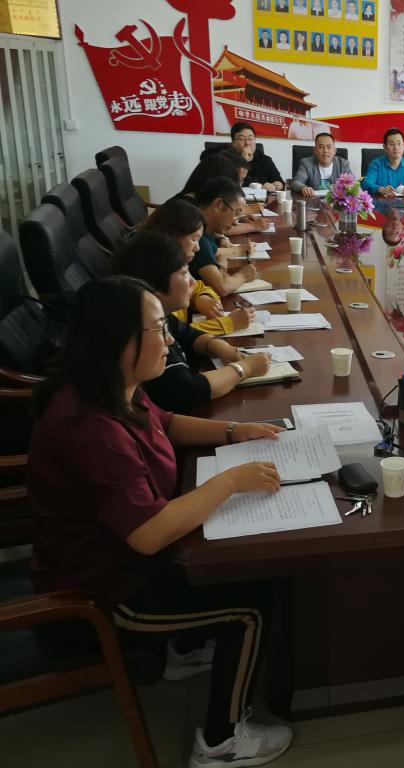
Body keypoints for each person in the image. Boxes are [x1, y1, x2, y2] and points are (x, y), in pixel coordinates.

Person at [28, 276, 292, 765]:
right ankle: (221, 743)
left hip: (124, 559)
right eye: (158, 329)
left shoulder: (111, 386)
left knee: (231, 560)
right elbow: (148, 536)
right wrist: (230, 482)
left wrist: (233, 431)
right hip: (106, 589)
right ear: (118, 341)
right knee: (251, 602)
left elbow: (165, 423)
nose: (170, 340)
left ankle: (182, 652)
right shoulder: (91, 428)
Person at [112, 232, 271, 412]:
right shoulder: (147, 335)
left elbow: (188, 334)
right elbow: (186, 390)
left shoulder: (160, 316)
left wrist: (220, 347)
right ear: (155, 287)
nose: (193, 282)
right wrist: (245, 368)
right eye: (184, 274)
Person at [139, 199, 255, 336]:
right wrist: (229, 323)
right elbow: (172, 334)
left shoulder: (174, 264)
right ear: (171, 236)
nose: (198, 247)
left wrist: (201, 299)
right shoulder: (152, 277)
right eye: (194, 240)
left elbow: (197, 286)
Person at [189, 177, 259, 297]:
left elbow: (219, 257)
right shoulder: (196, 238)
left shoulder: (205, 231)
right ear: (218, 205)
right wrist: (243, 275)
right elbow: (222, 288)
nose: (235, 222)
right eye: (236, 213)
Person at [361, 128, 404, 198]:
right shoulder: (376, 164)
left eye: (399, 143)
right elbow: (366, 184)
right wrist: (380, 189)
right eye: (391, 144)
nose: (396, 147)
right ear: (385, 147)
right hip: (381, 203)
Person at [291, 132, 352, 197]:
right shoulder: (306, 163)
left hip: (336, 202)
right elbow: (296, 182)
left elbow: (354, 184)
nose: (325, 150)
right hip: (312, 201)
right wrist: (303, 188)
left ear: (334, 151)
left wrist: (347, 187)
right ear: (315, 150)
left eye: (329, 147)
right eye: (321, 147)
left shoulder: (343, 164)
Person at [227, 122, 283, 191]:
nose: (247, 143)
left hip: (263, 198)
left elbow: (279, 181)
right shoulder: (225, 159)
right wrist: (243, 160)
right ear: (233, 143)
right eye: (241, 139)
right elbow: (232, 183)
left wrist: (274, 186)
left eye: (250, 139)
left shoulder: (264, 159)